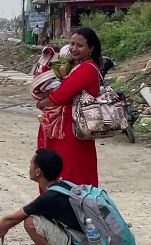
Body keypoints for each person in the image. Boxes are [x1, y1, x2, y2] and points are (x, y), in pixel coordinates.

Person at [34, 27, 102, 188]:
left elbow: (60, 95)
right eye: (71, 44)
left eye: (80, 46)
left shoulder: (86, 69)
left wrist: (40, 104)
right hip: (64, 127)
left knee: (67, 171)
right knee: (60, 169)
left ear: (91, 48)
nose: (74, 49)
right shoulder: (74, 66)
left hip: (69, 130)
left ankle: (64, 206)